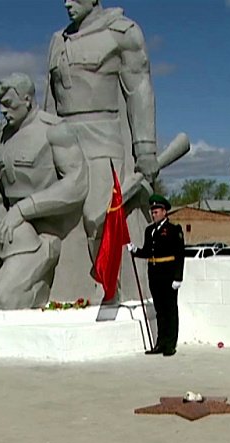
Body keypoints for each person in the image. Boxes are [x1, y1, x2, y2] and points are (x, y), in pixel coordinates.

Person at [0, 72, 87, 310]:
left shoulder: (54, 129)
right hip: (8, 227)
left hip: (43, 233)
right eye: (0, 104)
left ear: (28, 100)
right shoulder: (7, 134)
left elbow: (77, 183)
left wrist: (24, 209)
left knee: (1, 298)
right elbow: (5, 181)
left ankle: (36, 290)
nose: (2, 110)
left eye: (8, 103)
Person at [46, 0, 158, 300]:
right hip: (62, 141)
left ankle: (108, 287)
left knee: (98, 215)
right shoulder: (58, 40)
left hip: (102, 137)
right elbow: (48, 104)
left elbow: (139, 89)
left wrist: (145, 148)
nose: (67, 3)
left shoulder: (122, 32)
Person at [128, 194, 184, 356]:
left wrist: (178, 277)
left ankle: (170, 344)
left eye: (157, 211)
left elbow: (179, 255)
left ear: (165, 212)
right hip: (154, 274)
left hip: (168, 274)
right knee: (160, 310)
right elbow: (147, 251)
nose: (154, 214)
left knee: (170, 310)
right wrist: (135, 250)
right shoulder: (149, 231)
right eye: (152, 212)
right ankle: (160, 342)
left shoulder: (174, 230)